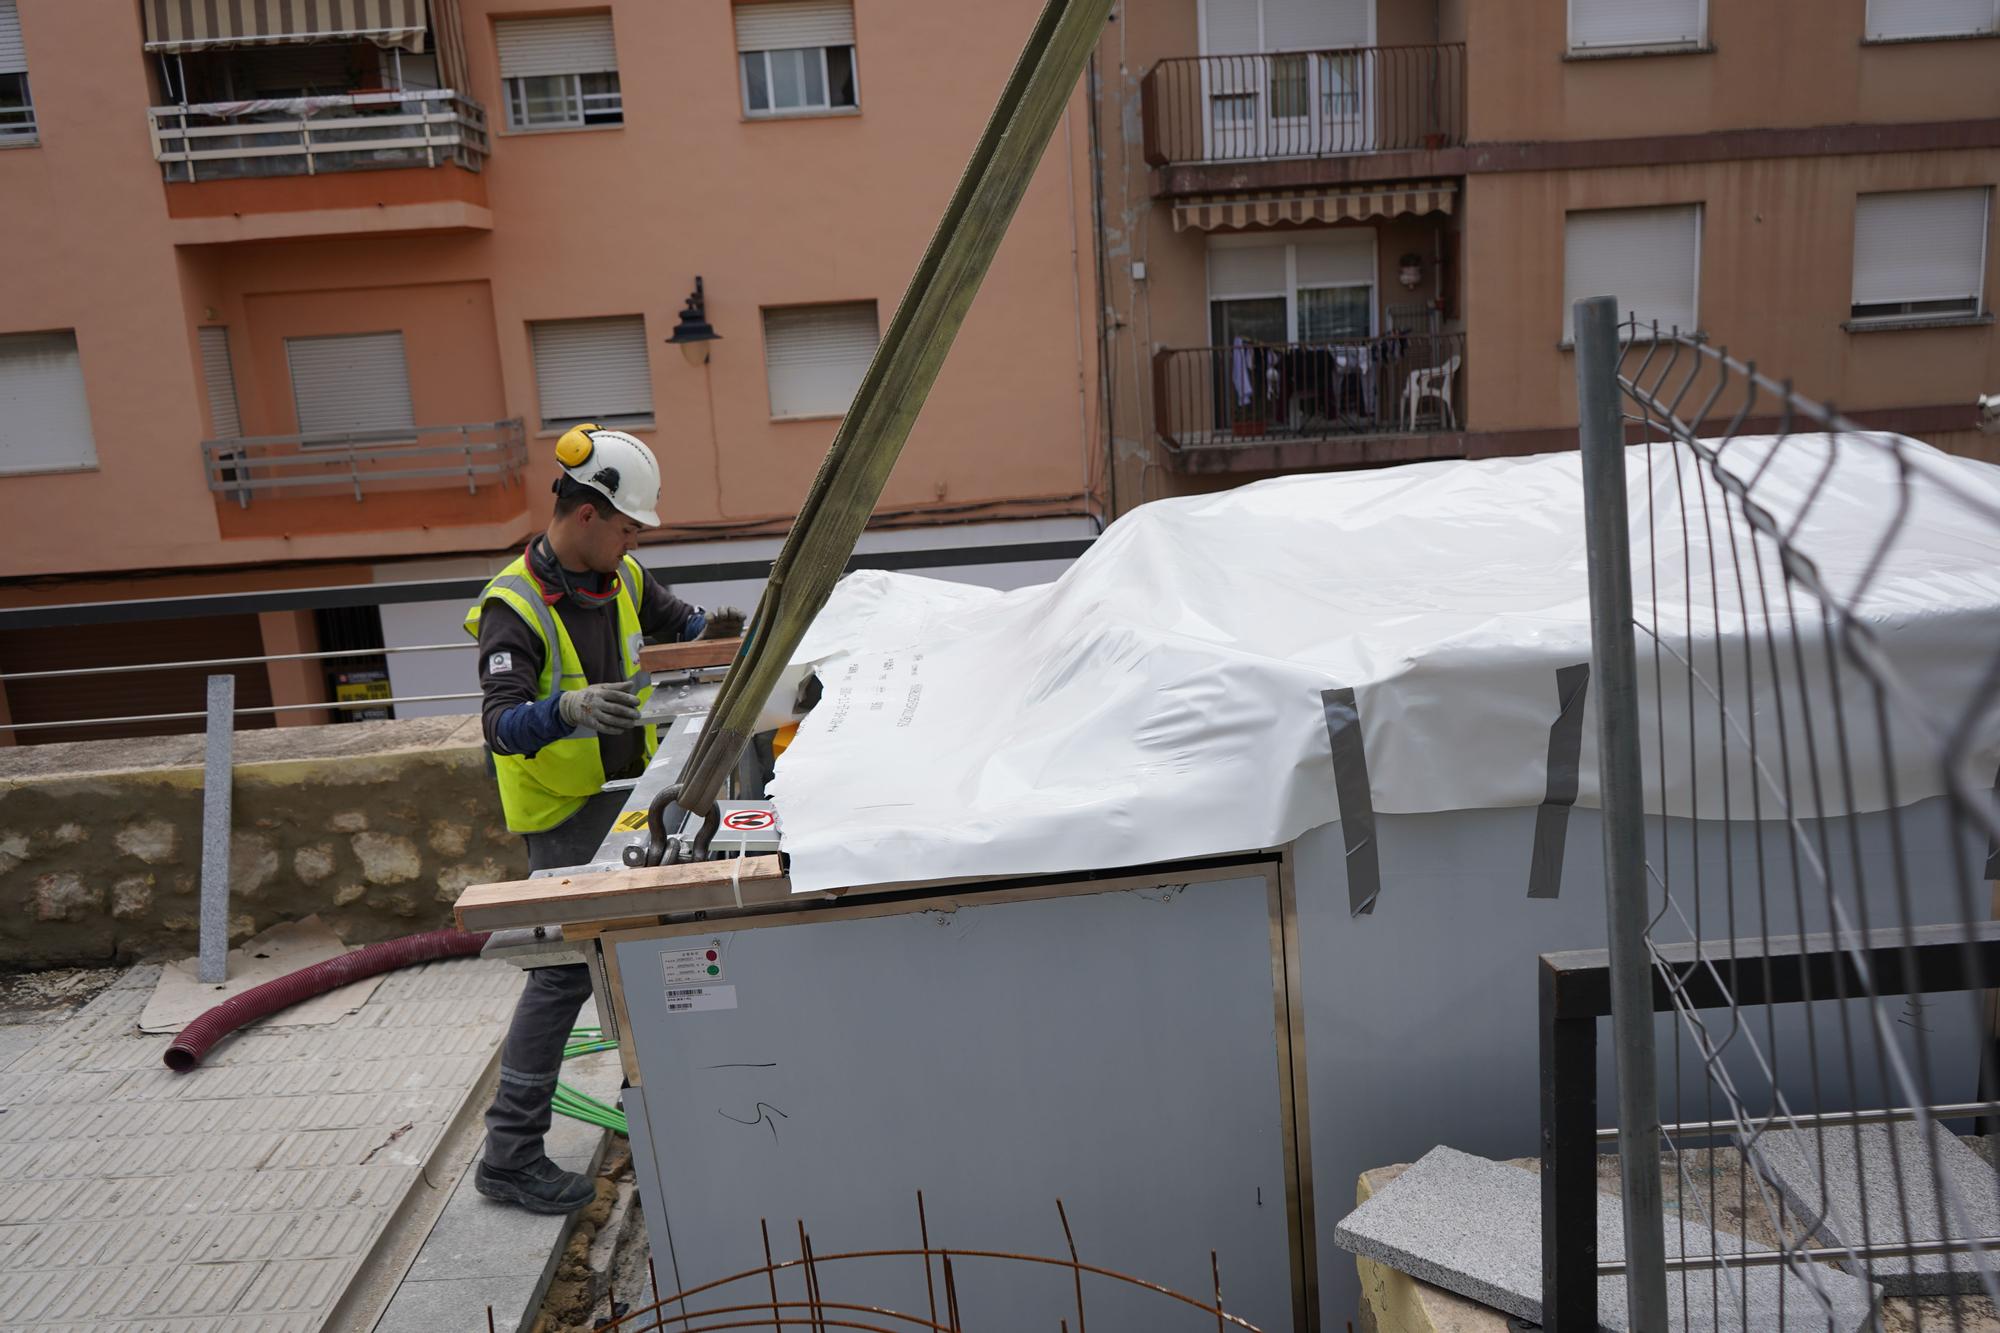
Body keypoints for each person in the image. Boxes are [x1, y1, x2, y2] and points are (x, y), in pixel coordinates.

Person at [464, 423, 724, 1213]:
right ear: (585, 516)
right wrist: (566, 708)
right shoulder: (514, 603)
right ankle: (508, 1155)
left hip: (628, 799)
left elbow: (687, 629)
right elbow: (500, 723)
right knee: (562, 974)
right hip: (564, 811)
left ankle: (669, 1112)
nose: (634, 540)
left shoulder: (624, 577)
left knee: (642, 955)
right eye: (626, 526)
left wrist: (728, 634)